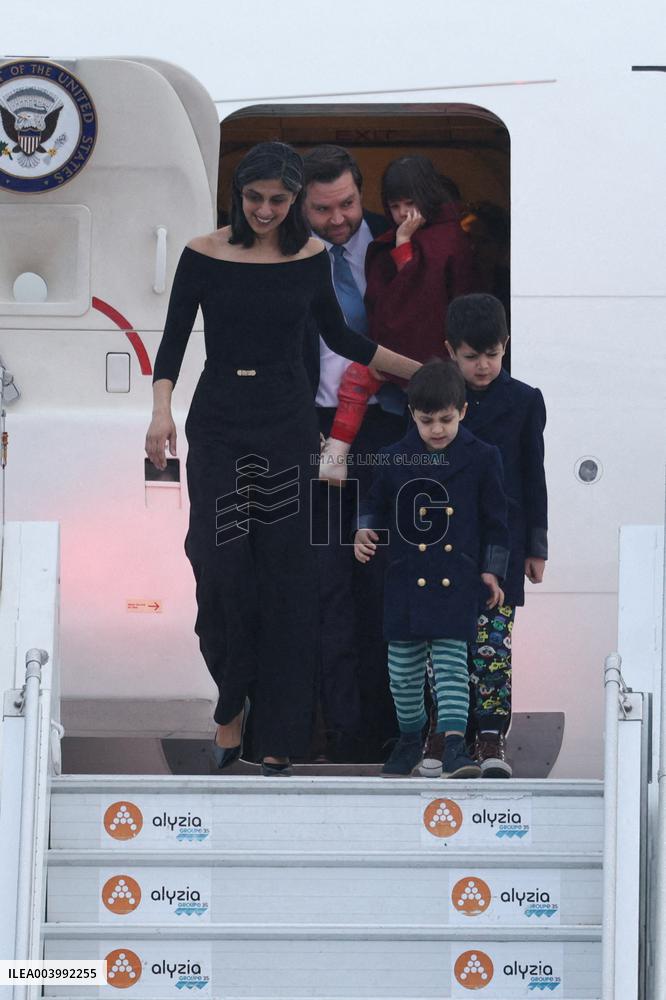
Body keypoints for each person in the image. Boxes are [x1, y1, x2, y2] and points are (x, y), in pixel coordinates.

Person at [144, 142, 419, 776]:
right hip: (217, 424)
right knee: (218, 570)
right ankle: (231, 700)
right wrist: (160, 412)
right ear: (238, 196)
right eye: (254, 197)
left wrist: (427, 371)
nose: (265, 209)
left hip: (285, 426)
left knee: (285, 580)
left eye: (278, 199)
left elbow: (344, 338)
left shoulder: (310, 259)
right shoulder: (203, 253)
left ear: (293, 200)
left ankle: (277, 732)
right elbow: (175, 338)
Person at [302, 145, 408, 761]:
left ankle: (391, 728)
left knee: (384, 582)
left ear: (360, 194)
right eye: (322, 209)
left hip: (387, 428)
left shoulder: (393, 253)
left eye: (346, 204)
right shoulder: (292, 257)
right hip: (314, 427)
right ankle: (342, 732)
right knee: (326, 582)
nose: (337, 219)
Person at [353, 360, 510, 777]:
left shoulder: (482, 457)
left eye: (445, 419)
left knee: (452, 668)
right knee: (402, 674)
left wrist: (492, 571)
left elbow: (497, 521)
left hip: (456, 578)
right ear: (412, 416)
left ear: (462, 410)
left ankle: (455, 745)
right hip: (405, 577)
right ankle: (410, 738)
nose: (437, 429)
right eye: (427, 421)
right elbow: (372, 503)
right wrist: (364, 532)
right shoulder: (392, 458)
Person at [443, 292, 548, 778]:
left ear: (506, 346)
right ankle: (444, 730)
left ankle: (490, 734)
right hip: (442, 540)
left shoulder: (525, 400)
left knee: (492, 642)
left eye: (492, 354)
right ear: (450, 351)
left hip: (501, 543)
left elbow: (534, 473)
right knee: (441, 640)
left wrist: (537, 545)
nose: (483, 365)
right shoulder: (437, 399)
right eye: (471, 356)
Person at [320, 154, 475, 483]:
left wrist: (404, 245)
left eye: (411, 203)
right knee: (357, 382)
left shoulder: (445, 240)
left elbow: (419, 296)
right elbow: (394, 298)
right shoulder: (393, 238)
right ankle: (337, 452)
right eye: (395, 206)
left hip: (428, 353)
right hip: (393, 354)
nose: (404, 214)